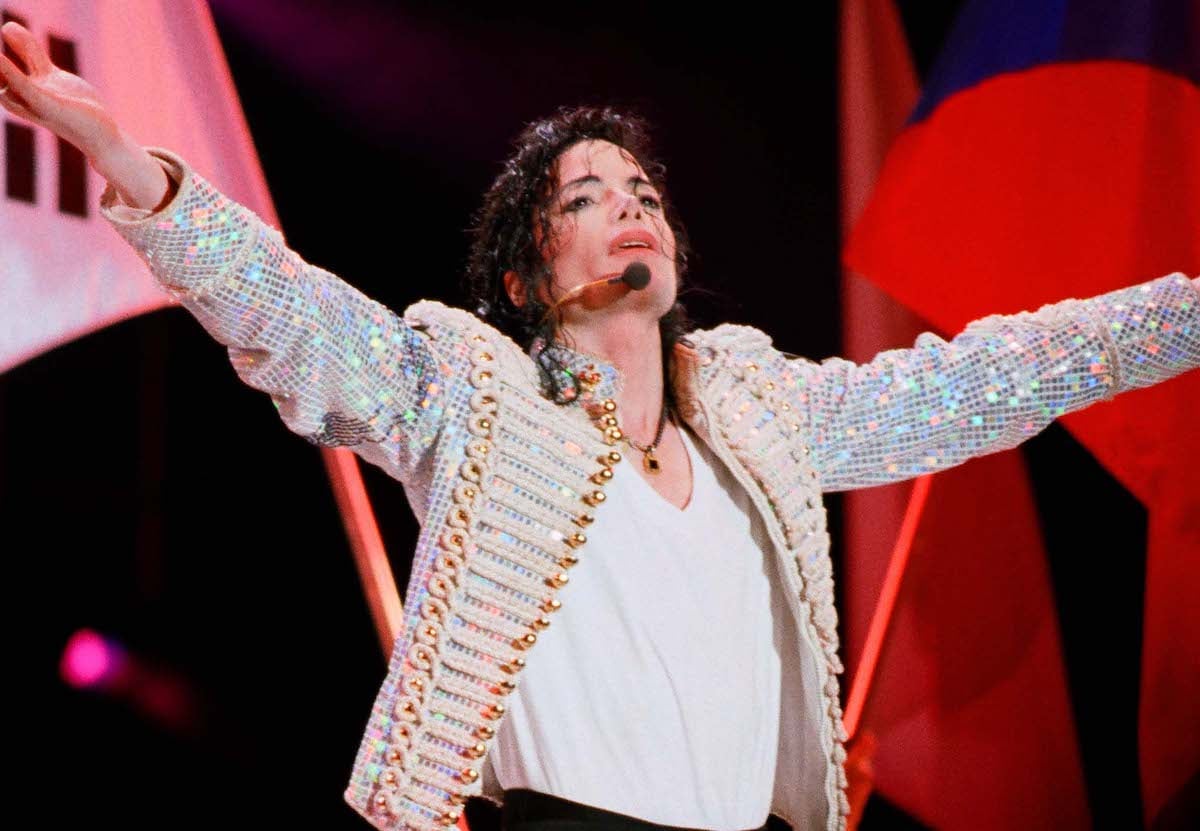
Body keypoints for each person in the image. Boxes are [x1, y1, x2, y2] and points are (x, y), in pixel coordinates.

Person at [3, 20, 1198, 831]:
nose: (631, 206)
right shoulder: (475, 398)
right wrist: (121, 154)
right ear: (525, 279)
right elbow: (290, 312)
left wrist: (1184, 316)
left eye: (644, 193)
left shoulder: (763, 414)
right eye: (586, 196)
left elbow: (987, 378)